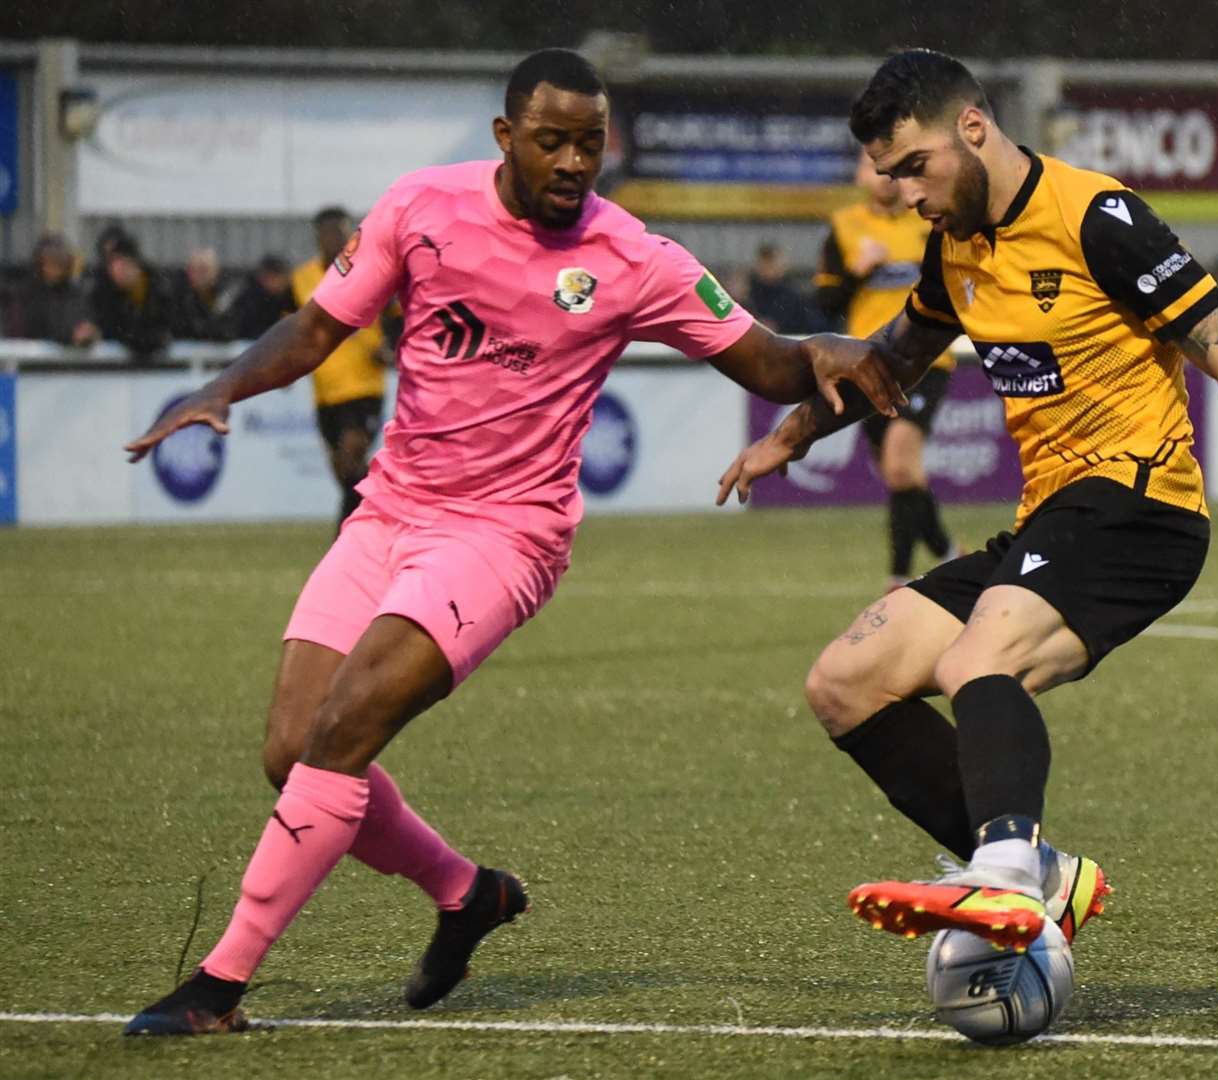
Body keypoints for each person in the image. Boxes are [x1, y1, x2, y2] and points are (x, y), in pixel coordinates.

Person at [120, 48, 901, 1036]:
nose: (577, 161)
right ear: (505, 137)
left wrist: (820, 354)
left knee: (346, 725)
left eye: (592, 142)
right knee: (292, 751)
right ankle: (467, 894)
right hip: (389, 512)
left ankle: (219, 986)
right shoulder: (419, 208)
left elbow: (768, 362)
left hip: (504, 537)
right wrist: (215, 389)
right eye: (553, 141)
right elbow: (317, 330)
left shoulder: (634, 260)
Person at [719, 49, 1218, 955]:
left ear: (972, 127)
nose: (901, 195)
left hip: (1142, 508)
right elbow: (890, 361)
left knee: (982, 660)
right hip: (1051, 518)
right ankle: (1041, 874)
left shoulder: (1099, 217)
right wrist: (788, 438)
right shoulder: (956, 248)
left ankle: (1006, 875)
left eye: (913, 168)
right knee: (845, 685)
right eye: (888, 177)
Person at [817, 149, 960, 590]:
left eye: (890, 170)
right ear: (859, 176)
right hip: (867, 363)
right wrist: (858, 272)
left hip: (926, 358)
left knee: (900, 465)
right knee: (904, 476)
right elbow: (826, 304)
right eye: (871, 169)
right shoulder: (844, 229)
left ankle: (899, 578)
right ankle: (950, 554)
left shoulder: (931, 222)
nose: (883, 178)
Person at [293, 207, 391, 530]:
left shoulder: (369, 271)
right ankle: (380, 511)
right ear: (318, 237)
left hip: (364, 386)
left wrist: (390, 346)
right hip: (325, 391)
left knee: (351, 454)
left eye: (341, 233)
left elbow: (397, 312)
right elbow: (288, 324)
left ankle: (343, 535)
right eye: (329, 234)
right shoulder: (302, 279)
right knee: (345, 474)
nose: (335, 240)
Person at [1, 234, 98, 345]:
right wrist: (70, 335)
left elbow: (83, 322)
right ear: (40, 263)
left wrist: (85, 332)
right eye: (50, 262)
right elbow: (31, 327)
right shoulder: (26, 293)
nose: (54, 269)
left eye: (59, 263)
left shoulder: (75, 294)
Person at [90, 233, 173, 359]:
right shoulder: (104, 291)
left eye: (123, 263)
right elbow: (110, 327)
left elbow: (165, 326)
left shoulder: (158, 288)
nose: (117, 270)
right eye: (112, 264)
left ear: (136, 264)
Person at [170, 247, 235, 342]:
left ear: (216, 271)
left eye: (203, 269)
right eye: (193, 269)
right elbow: (180, 329)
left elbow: (228, 332)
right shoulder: (178, 294)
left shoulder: (226, 294)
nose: (197, 274)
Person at [229, 254, 295, 340]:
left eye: (275, 277)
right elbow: (243, 326)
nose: (271, 282)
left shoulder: (295, 296)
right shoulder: (251, 296)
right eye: (267, 277)